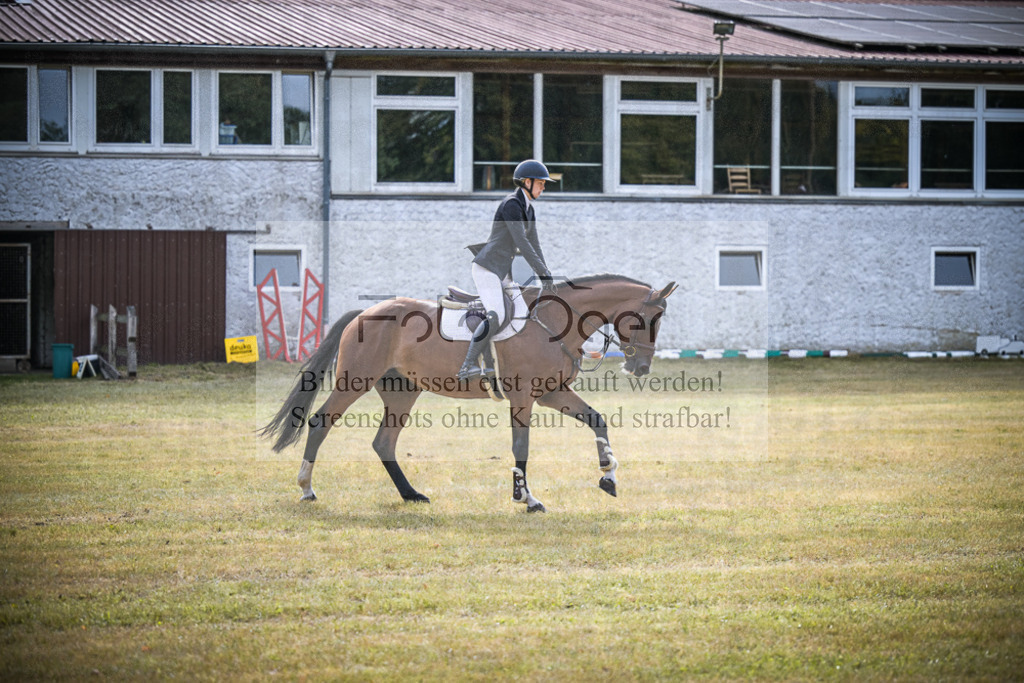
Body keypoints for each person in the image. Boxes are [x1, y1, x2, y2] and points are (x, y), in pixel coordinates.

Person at [458, 159, 557, 381]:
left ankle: (501, 364)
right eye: (541, 183)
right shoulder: (511, 204)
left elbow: (535, 245)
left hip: (502, 271)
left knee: (521, 313)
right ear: (527, 182)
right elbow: (521, 242)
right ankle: (468, 364)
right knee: (498, 314)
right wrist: (542, 274)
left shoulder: (528, 210)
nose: (543, 187)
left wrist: (547, 276)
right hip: (488, 268)